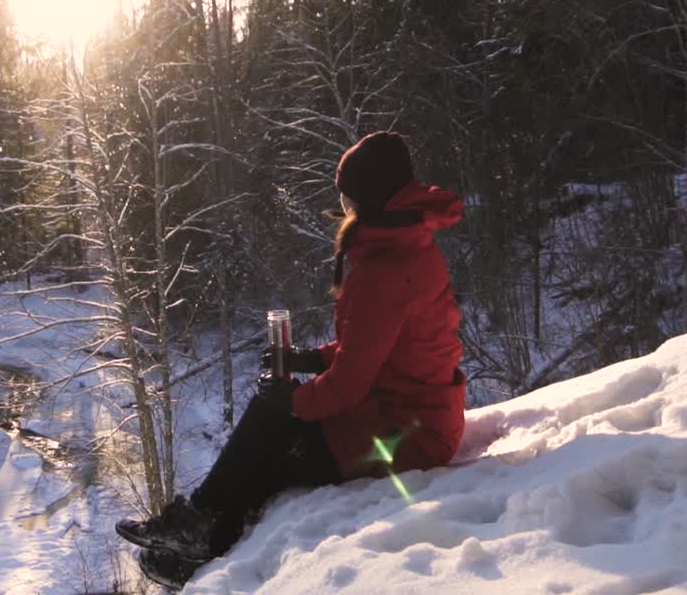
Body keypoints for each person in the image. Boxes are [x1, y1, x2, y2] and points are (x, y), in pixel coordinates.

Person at [116, 131, 467, 589]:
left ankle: (198, 532)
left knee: (274, 431)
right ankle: (198, 537)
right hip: (410, 412)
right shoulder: (404, 245)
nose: (344, 208)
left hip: (410, 432)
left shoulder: (385, 269)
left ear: (369, 199)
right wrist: (308, 360)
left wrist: (293, 400)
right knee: (276, 431)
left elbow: (351, 385)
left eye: (347, 198)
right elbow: (379, 350)